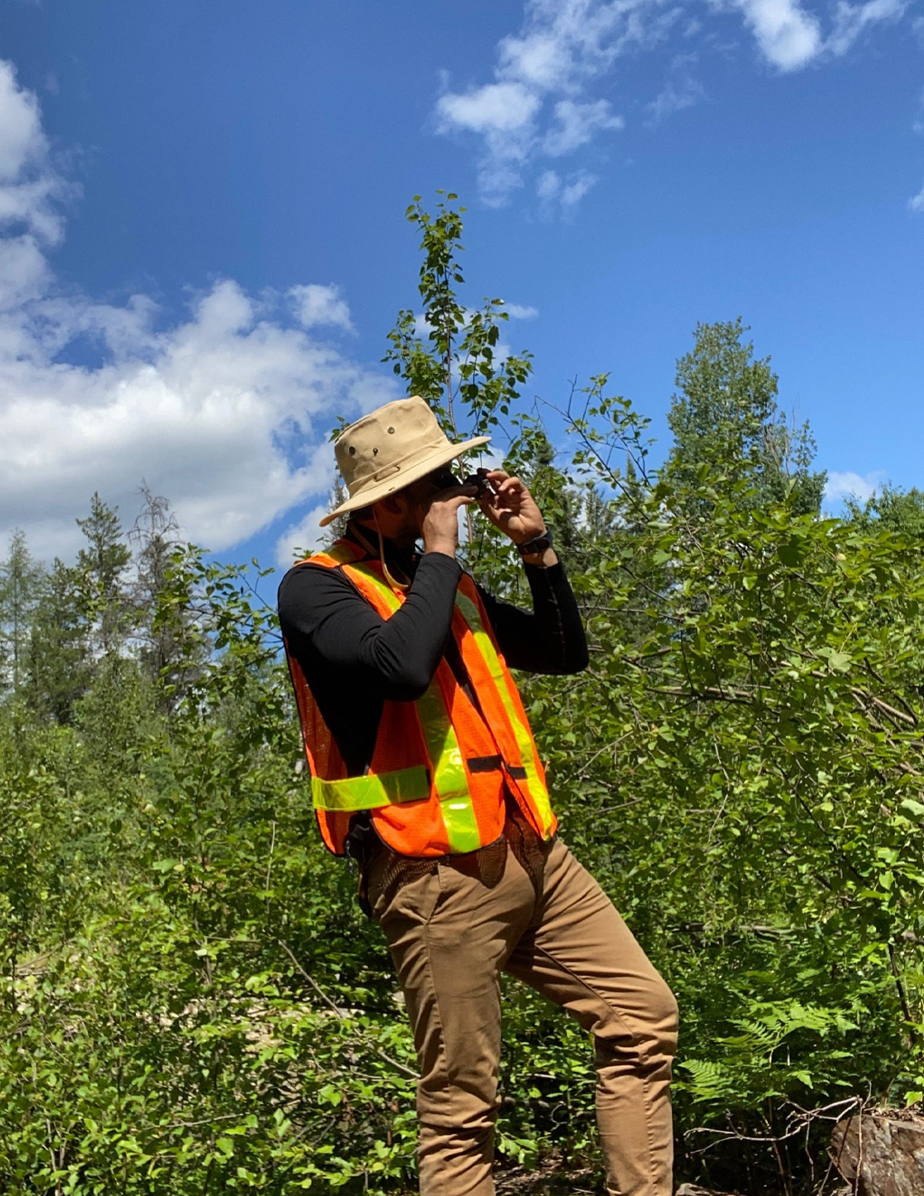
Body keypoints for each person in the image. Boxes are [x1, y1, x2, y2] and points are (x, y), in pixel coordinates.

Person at [278, 396, 678, 1196]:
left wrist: (537, 550)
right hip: (433, 878)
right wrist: (439, 556)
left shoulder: (446, 588)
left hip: (535, 854)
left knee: (642, 1017)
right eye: (441, 482)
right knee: (463, 1106)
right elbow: (399, 669)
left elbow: (564, 653)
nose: (459, 491)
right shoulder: (314, 591)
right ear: (391, 501)